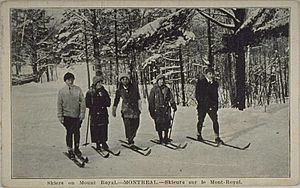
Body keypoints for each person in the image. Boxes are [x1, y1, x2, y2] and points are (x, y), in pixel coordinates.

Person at [57, 72, 86, 158]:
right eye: (68, 80)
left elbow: (82, 103)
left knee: (77, 132)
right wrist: (60, 116)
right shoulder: (62, 92)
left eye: (72, 79)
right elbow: (59, 104)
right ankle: (70, 149)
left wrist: (82, 113)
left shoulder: (78, 90)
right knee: (69, 132)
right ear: (65, 81)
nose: (70, 81)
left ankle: (76, 148)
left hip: (76, 116)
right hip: (67, 116)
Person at [112, 73, 142, 146]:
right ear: (121, 81)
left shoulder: (134, 88)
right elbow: (116, 100)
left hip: (135, 109)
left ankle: (131, 137)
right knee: (128, 126)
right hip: (126, 110)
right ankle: (130, 139)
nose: (125, 81)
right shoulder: (119, 90)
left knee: (136, 125)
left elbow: (138, 98)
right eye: (123, 79)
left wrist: (139, 107)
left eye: (126, 79)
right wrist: (114, 109)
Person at [195, 67, 223, 144]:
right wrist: (202, 102)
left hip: (211, 106)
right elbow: (197, 95)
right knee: (201, 120)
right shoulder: (201, 83)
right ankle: (198, 134)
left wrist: (215, 106)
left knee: (215, 121)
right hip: (202, 106)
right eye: (209, 74)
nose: (211, 75)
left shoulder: (214, 84)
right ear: (206, 74)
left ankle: (217, 137)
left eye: (212, 74)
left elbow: (215, 96)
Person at [148, 74, 177, 144]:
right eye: (160, 80)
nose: (161, 81)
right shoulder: (154, 89)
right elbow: (151, 101)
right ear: (157, 81)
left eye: (162, 80)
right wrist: (151, 110)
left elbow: (171, 97)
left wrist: (173, 105)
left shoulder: (167, 89)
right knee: (159, 124)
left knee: (167, 123)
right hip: (157, 110)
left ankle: (166, 137)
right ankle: (161, 138)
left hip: (166, 109)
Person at [85, 76, 111, 150]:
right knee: (95, 127)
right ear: (95, 83)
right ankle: (97, 143)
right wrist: (92, 106)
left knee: (103, 127)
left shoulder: (104, 91)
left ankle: (103, 142)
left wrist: (103, 103)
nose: (100, 84)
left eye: (101, 82)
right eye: (98, 82)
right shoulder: (90, 92)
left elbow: (108, 102)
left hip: (103, 112)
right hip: (94, 112)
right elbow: (87, 103)